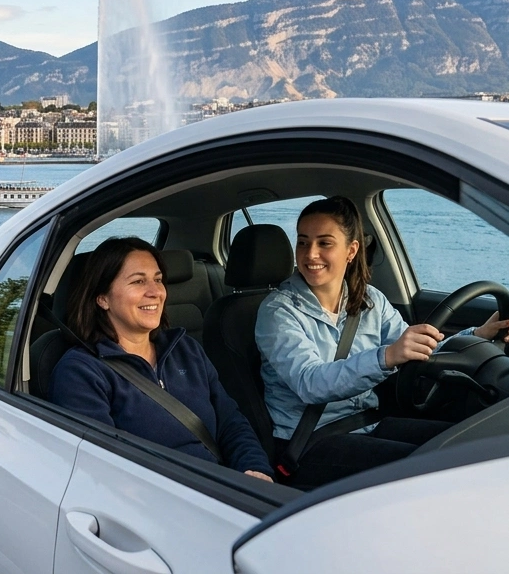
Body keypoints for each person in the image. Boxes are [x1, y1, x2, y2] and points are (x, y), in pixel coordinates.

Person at [256, 196, 509, 488]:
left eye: (324, 243)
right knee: (436, 471)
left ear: (351, 250)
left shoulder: (370, 300)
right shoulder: (277, 311)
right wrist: (386, 357)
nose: (310, 254)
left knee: (466, 446)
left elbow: (413, 347)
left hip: (367, 423)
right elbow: (310, 383)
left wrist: (478, 335)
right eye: (303, 242)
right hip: (309, 442)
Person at [51, 237, 274, 480]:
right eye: (138, 281)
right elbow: (105, 470)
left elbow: (230, 422)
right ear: (102, 298)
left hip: (224, 488)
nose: (156, 292)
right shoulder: (81, 372)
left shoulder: (185, 350)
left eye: (158, 280)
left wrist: (255, 470)